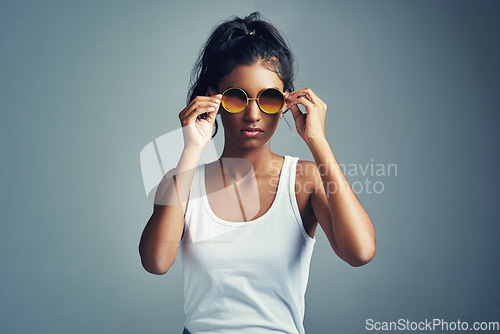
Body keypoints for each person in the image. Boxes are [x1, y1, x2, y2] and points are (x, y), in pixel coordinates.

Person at [139, 12, 376, 334]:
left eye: (269, 98)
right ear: (215, 98)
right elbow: (156, 263)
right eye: (237, 98)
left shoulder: (305, 180)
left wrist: (317, 141)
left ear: (286, 101)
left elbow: (359, 253)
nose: (253, 115)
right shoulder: (181, 182)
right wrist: (192, 149)